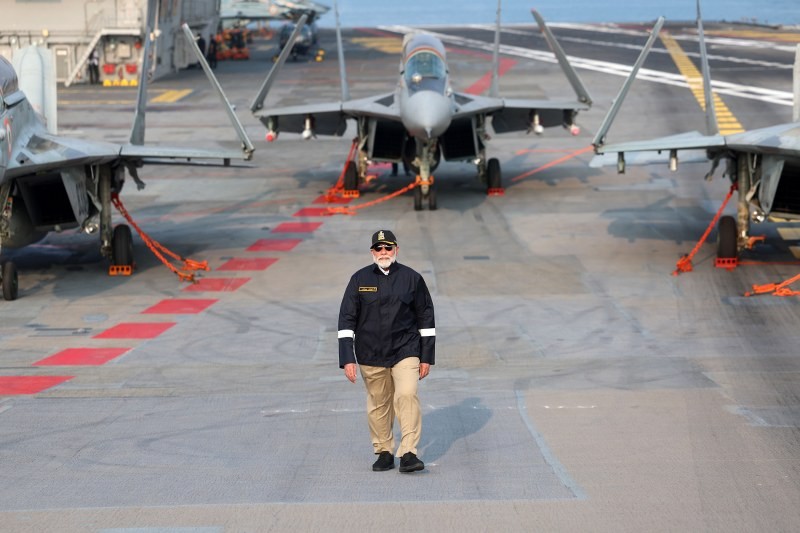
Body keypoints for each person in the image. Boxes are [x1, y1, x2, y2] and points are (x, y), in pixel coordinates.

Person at [338, 230, 435, 473]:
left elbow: (426, 317)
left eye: (388, 248)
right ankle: (383, 451)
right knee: (379, 403)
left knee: (407, 394)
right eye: (379, 249)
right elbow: (346, 320)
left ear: (396, 250)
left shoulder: (412, 279)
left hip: (406, 349)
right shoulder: (358, 280)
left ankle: (409, 452)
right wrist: (347, 358)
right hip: (371, 353)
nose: (384, 253)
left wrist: (426, 356)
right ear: (372, 252)